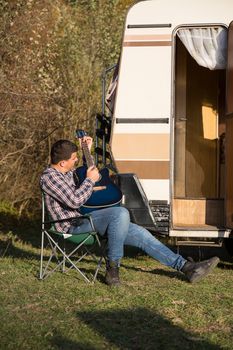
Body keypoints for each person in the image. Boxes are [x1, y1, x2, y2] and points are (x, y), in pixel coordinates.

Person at [40, 138, 220, 286]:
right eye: (73, 159)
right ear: (62, 162)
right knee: (120, 214)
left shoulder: (66, 173)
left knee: (140, 233)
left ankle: (187, 268)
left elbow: (80, 183)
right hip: (71, 227)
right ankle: (113, 268)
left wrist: (86, 150)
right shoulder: (49, 177)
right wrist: (88, 182)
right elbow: (74, 200)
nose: (76, 161)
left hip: (85, 219)